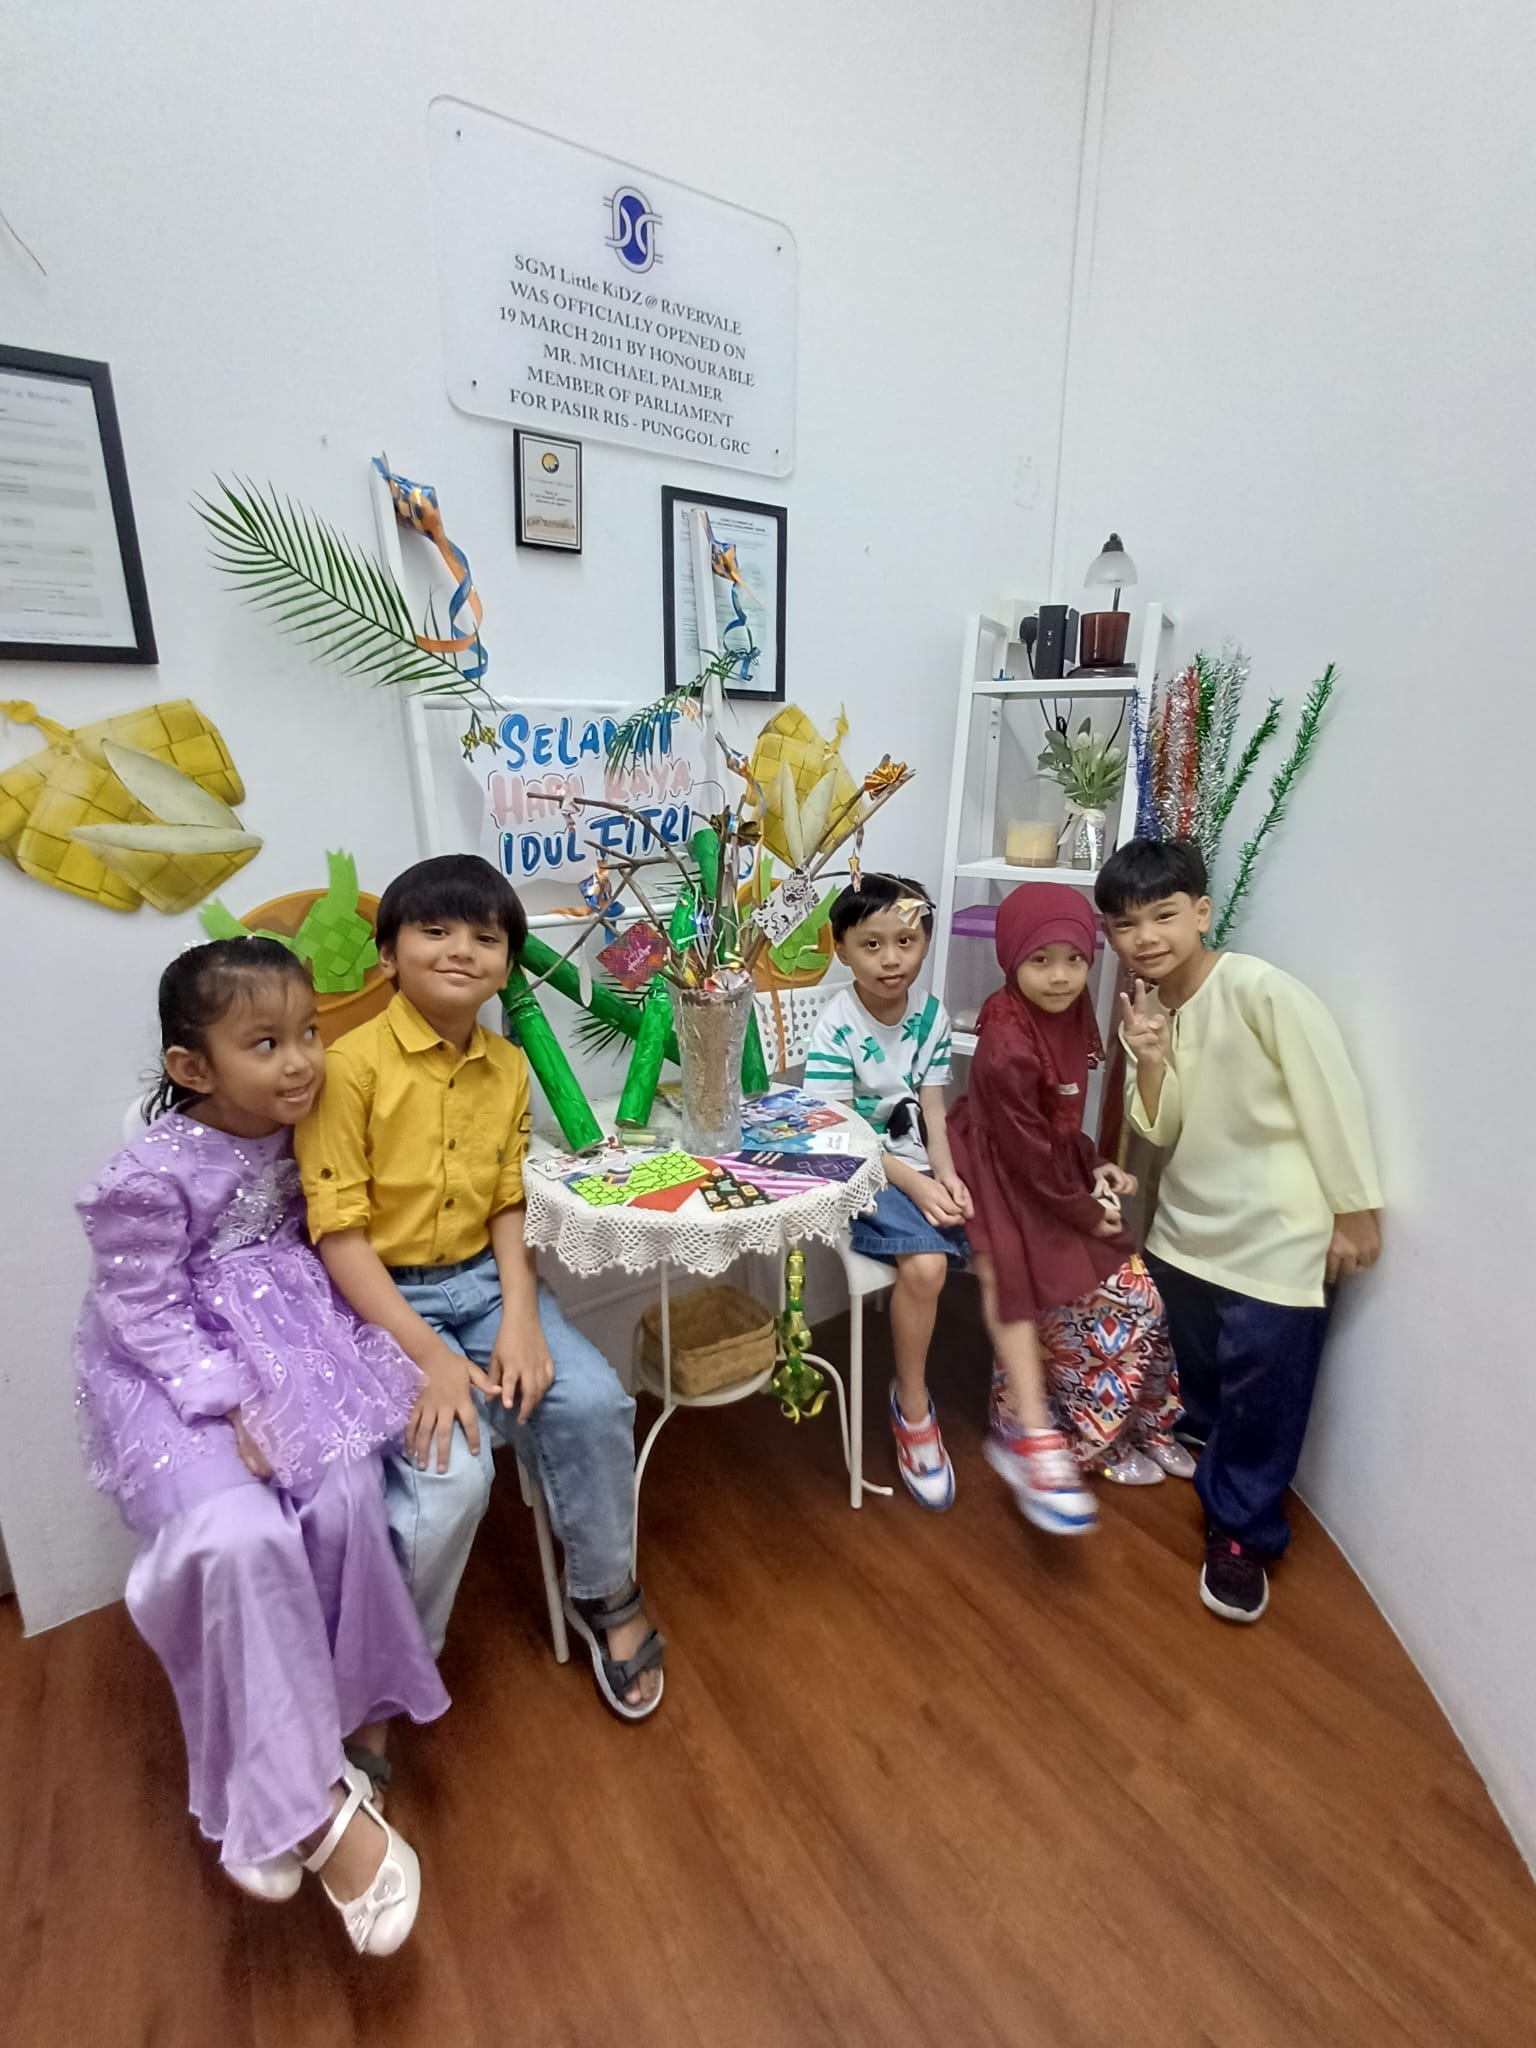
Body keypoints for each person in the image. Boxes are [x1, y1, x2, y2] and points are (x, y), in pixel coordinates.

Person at [74, 938, 446, 1955]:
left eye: (309, 1033)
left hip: (299, 1337)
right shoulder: (149, 1173)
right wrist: (228, 1401)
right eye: (266, 1042)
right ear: (192, 1065)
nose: (301, 1061)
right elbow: (142, 1308)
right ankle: (318, 1817)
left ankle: (302, 1758)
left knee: (346, 1501)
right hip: (170, 1371)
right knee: (235, 1541)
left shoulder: (311, 1128)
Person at [295, 853, 664, 1718]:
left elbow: (507, 1202)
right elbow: (338, 1235)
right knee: (451, 1484)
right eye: (435, 931)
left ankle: (605, 1590)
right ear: (388, 955)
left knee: (594, 1403)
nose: (461, 950)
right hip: (385, 1307)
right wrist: (428, 1356)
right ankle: (388, 1680)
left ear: (507, 965)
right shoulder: (347, 1070)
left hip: (491, 1287)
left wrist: (523, 1318)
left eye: (486, 938)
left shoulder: (505, 1064)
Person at [1096, 837, 1383, 1624]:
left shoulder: (1260, 988)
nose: (1145, 937)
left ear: (1202, 912)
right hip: (1185, 1232)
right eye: (1125, 925)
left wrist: (1354, 1206)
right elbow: (1161, 1128)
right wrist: (1149, 1059)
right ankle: (1209, 1457)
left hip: (1276, 1237)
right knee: (1203, 1374)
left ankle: (1241, 1532)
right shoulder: (1151, 1011)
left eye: (1163, 915)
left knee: (1266, 1395)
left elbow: (1329, 1091)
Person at [947, 885, 1193, 1537]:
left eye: (1074, 959)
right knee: (1012, 1275)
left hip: (1042, 1166)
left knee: (1133, 1289)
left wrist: (1090, 1161)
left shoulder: (1073, 1011)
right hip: (997, 1166)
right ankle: (1031, 1436)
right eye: (1040, 960)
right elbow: (1023, 1153)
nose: (1060, 976)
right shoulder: (1006, 1043)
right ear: (1011, 959)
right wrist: (1085, 1209)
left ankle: (1139, 1425)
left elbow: (1055, 1123)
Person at [803, 873, 972, 1509]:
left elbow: (933, 1109)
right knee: (927, 1265)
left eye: (906, 941)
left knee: (1001, 1226)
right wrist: (918, 1186)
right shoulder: (836, 1025)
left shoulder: (931, 1016)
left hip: (914, 1162)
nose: (891, 959)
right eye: (871, 945)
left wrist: (946, 1175)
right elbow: (837, 1132)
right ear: (841, 949)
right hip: (853, 1166)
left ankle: (1019, 1399)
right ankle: (913, 1404)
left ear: (925, 941)